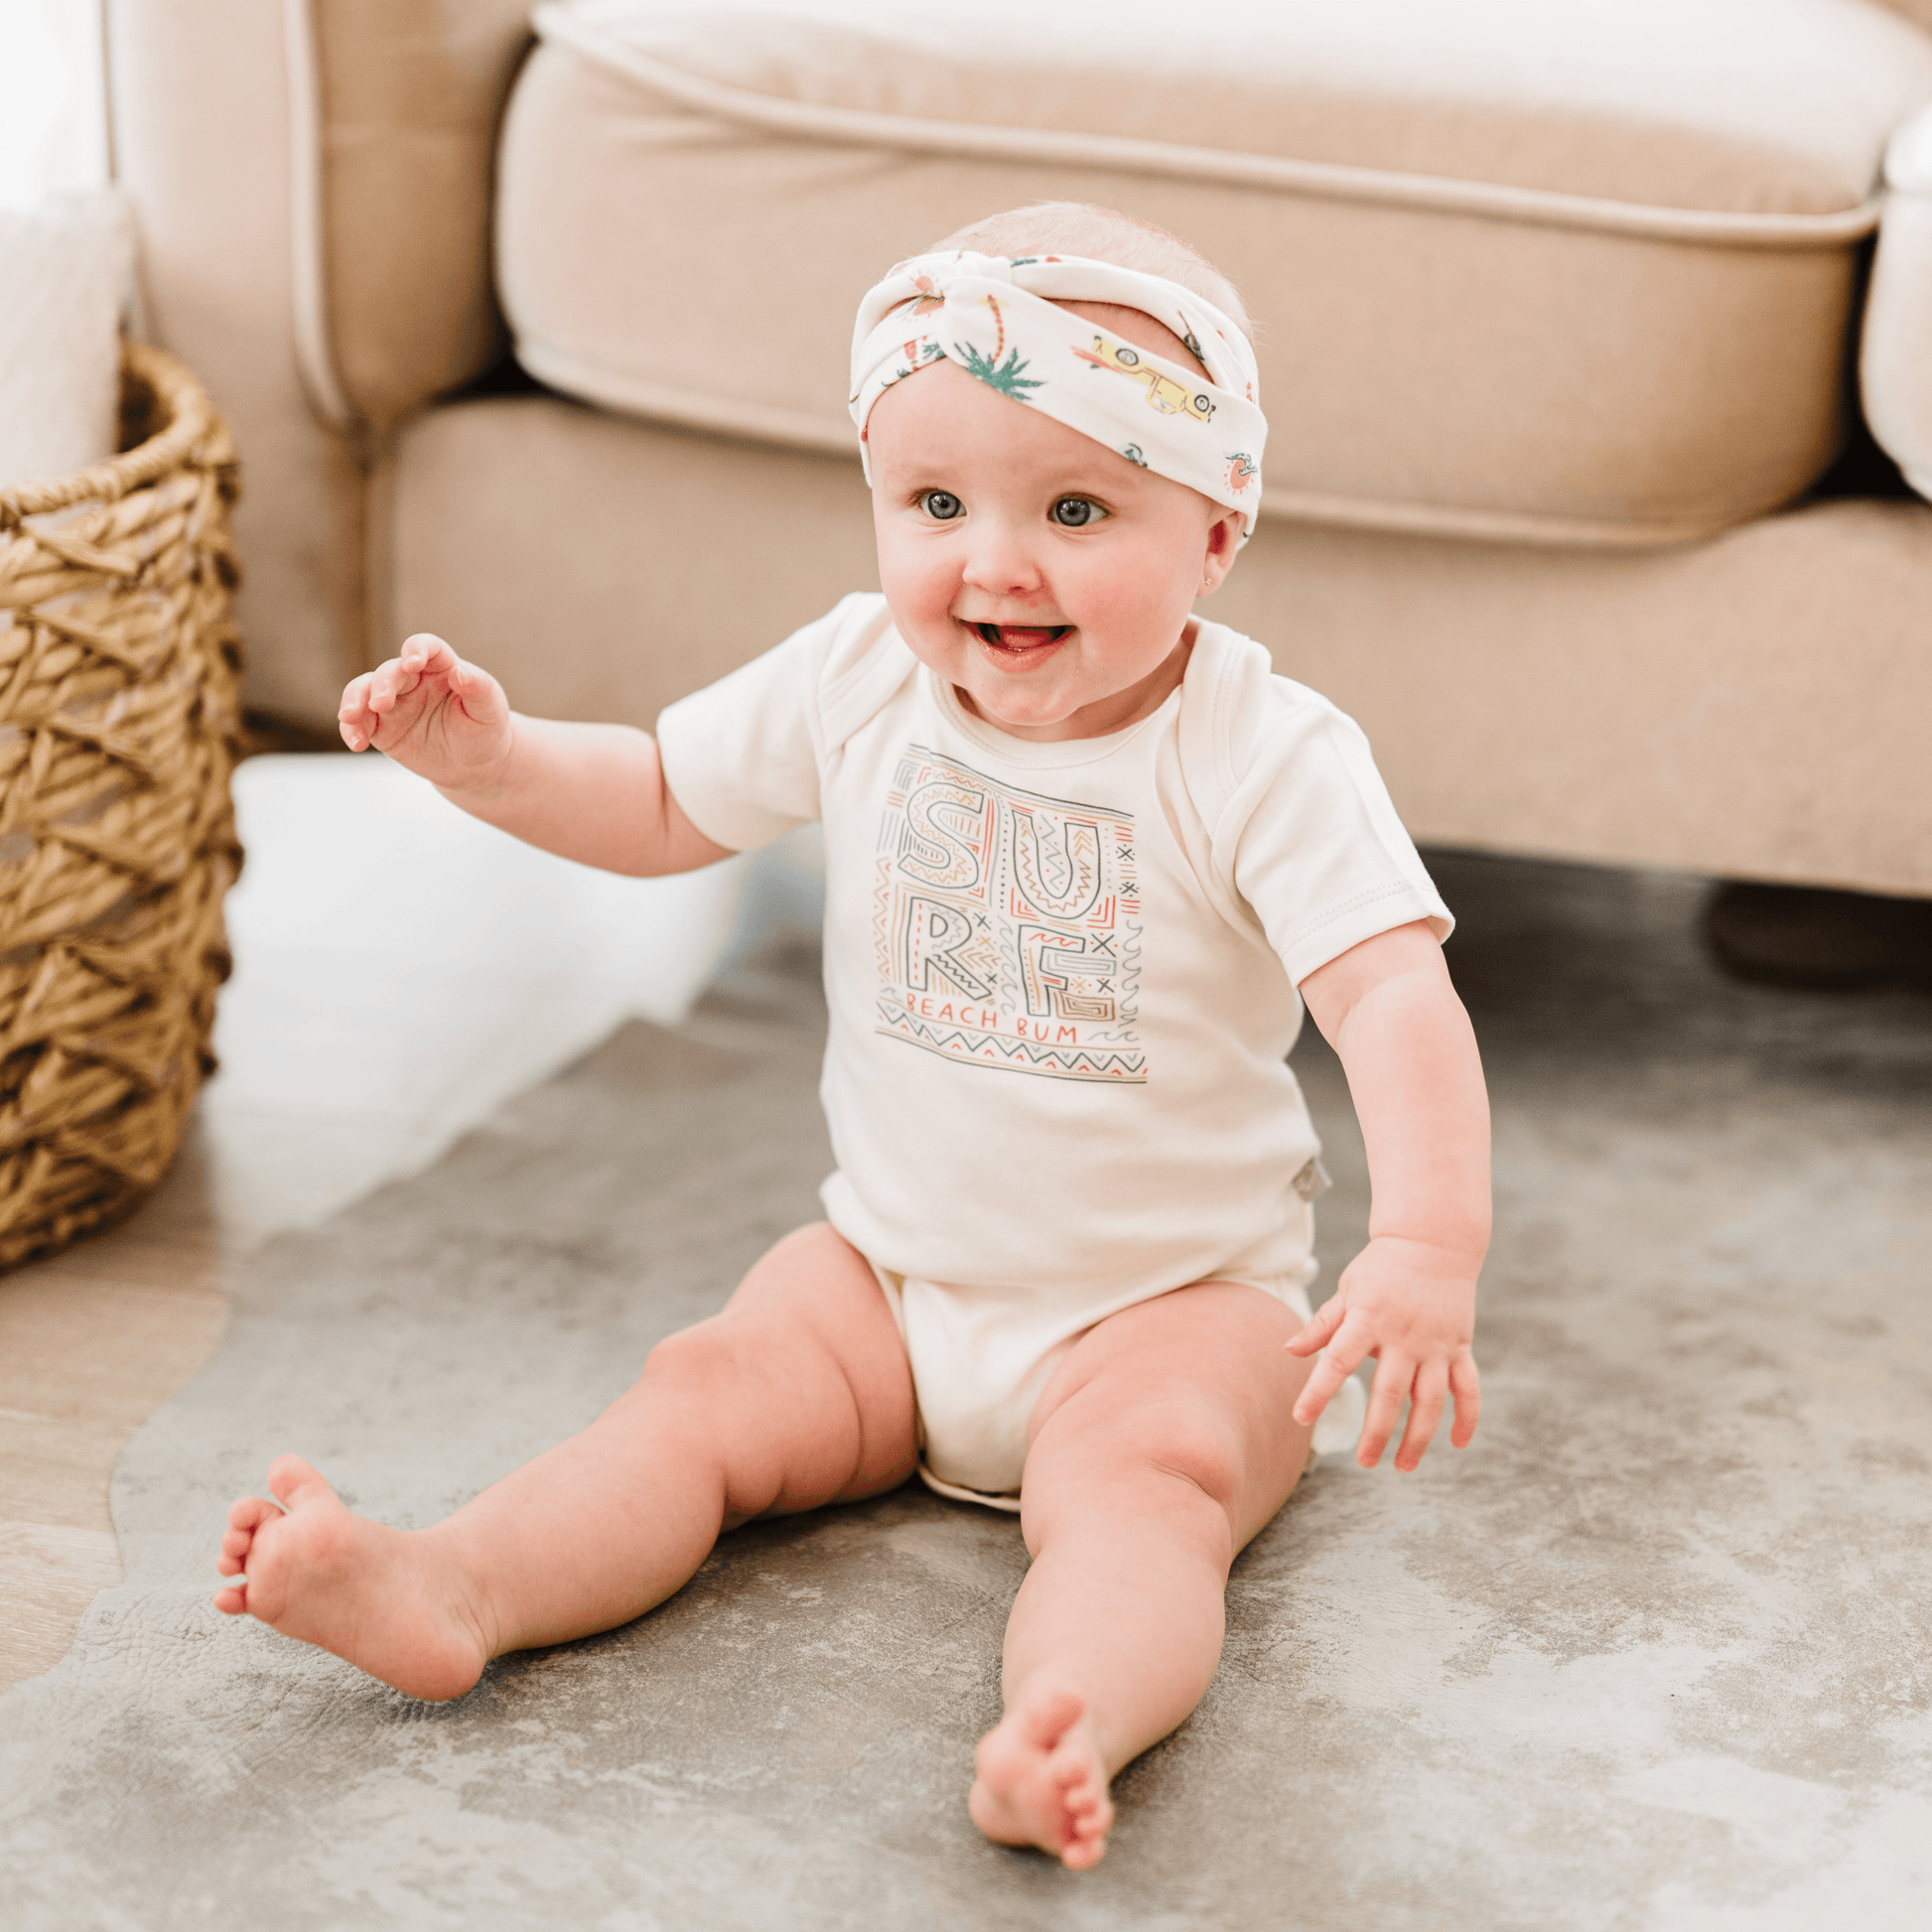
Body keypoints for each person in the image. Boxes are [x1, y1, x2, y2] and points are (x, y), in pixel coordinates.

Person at [211, 203, 1488, 1871]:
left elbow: (1388, 990)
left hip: (1171, 1303)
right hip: (888, 1273)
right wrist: (493, 761)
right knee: (697, 1396)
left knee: (1144, 1501)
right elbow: (667, 796)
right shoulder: (856, 676)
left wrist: (1423, 1243)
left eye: (1079, 506)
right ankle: (454, 1583)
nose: (994, 560)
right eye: (936, 504)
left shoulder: (1262, 752)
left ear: (1216, 530)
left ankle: (1069, 1719)